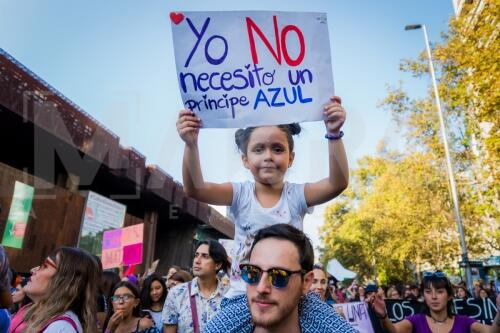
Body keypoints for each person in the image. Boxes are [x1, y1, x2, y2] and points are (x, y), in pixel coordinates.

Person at [177, 96, 348, 298]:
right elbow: (196, 189)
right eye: (259, 149)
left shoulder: (297, 196)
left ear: (290, 158)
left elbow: (337, 183)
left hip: (288, 296)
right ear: (245, 160)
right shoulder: (240, 194)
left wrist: (334, 133)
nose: (268, 156)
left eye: (277, 149)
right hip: (243, 296)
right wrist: (190, 144)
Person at [204, 224, 356, 333]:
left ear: (306, 282)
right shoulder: (223, 325)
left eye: (279, 276)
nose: (261, 288)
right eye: (253, 273)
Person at [369, 271, 500, 333]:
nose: (433, 296)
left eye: (439, 291)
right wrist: (383, 316)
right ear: (423, 296)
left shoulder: (464, 322)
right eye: (428, 291)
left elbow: (492, 332)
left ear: (449, 296)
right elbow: (393, 331)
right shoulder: (415, 321)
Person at [9, 247, 101, 333]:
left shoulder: (62, 328)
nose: (33, 270)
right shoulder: (30, 310)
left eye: (45, 266)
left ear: (65, 281)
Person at [162, 240, 230, 333]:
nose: (197, 261)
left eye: (205, 256)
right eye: (196, 255)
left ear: (217, 265)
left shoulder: (229, 296)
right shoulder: (176, 293)